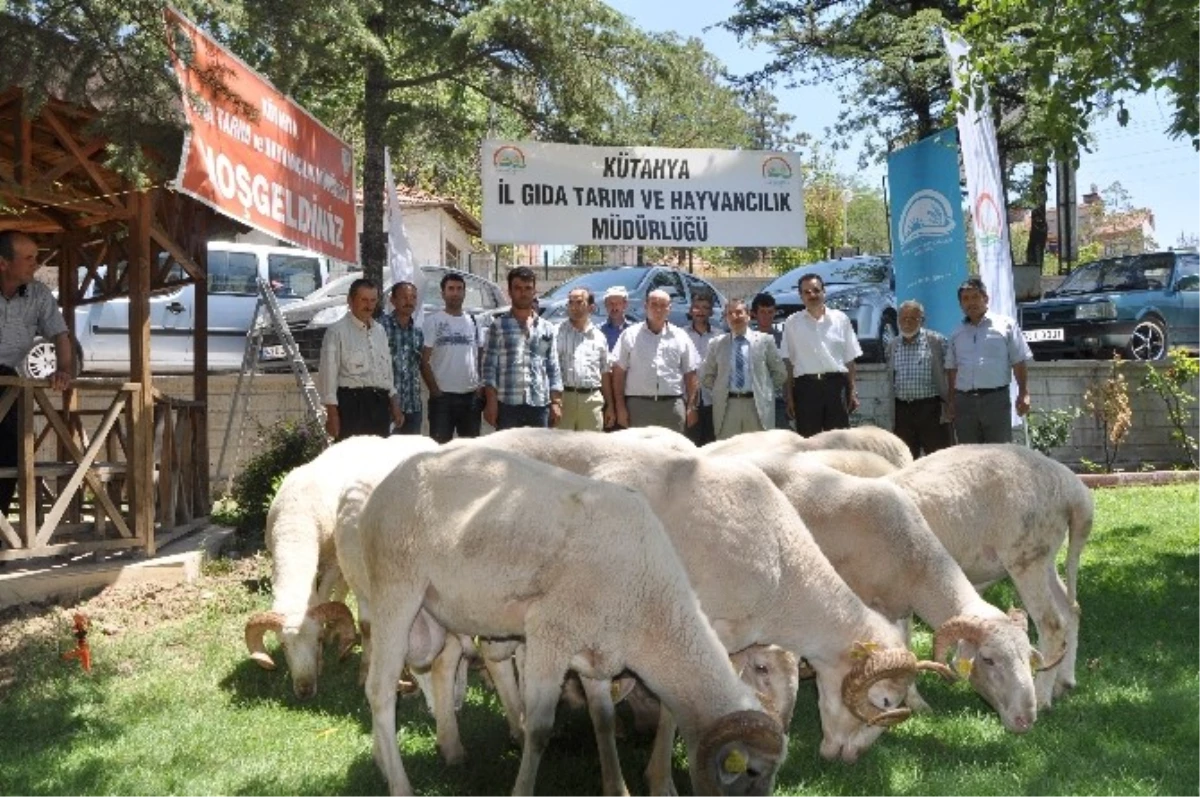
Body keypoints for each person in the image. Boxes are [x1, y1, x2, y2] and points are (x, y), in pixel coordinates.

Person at [0, 232, 73, 517]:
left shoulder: (39, 293)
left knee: (11, 455)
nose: (36, 264)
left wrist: (64, 370)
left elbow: (60, 335)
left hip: (9, 382)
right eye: (28, 258)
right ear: (3, 263)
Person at [946, 277, 1033, 443]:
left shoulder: (1006, 326)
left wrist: (1023, 392)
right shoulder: (956, 333)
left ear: (985, 298)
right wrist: (951, 401)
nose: (970, 303)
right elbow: (952, 369)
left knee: (999, 454)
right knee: (969, 455)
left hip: (995, 400)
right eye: (965, 299)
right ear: (960, 304)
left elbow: (1018, 361)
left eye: (975, 297)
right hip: (964, 403)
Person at [781, 272, 862, 436]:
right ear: (801, 296)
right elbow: (789, 363)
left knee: (839, 441)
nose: (812, 295)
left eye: (816, 290)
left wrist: (852, 391)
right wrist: (789, 396)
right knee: (809, 442)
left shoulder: (841, 319)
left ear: (824, 292)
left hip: (836, 386)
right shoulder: (792, 323)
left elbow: (850, 360)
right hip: (806, 389)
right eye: (807, 292)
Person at [482, 267, 562, 430]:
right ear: (510, 292)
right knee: (506, 455)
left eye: (527, 288)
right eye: (517, 288)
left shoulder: (547, 328)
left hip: (539, 405)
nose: (523, 293)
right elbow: (489, 368)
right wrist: (491, 402)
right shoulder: (498, 326)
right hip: (507, 406)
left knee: (537, 455)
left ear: (534, 291)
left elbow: (553, 367)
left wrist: (556, 402)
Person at [318, 278, 396, 441]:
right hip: (352, 406)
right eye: (364, 300)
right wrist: (332, 415)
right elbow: (328, 377)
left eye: (373, 300)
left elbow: (387, 371)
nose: (369, 305)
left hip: (379, 405)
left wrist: (394, 404)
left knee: (379, 459)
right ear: (350, 300)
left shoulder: (380, 331)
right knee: (352, 461)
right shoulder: (336, 332)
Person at [612, 288, 701, 432]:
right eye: (654, 304)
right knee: (640, 453)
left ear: (669, 309)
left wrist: (691, 407)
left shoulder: (681, 336)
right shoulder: (630, 335)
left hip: (672, 406)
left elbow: (690, 374)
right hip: (638, 406)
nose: (658, 309)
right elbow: (618, 372)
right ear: (645, 306)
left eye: (663, 305)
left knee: (674, 453)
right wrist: (620, 407)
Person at [701, 298, 787, 440]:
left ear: (748, 315)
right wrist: (721, 389)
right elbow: (706, 376)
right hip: (727, 407)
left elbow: (780, 373)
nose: (735, 317)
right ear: (726, 318)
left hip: (757, 405)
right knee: (728, 453)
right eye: (730, 313)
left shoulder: (765, 341)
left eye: (739, 312)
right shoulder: (716, 344)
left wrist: (765, 389)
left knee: (759, 452)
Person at [421, 272, 484, 444]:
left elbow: (481, 356)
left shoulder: (474, 322)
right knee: (440, 451)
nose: (455, 293)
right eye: (451, 289)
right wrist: (434, 391)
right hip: (443, 399)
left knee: (470, 453)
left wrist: (480, 387)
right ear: (443, 293)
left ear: (464, 292)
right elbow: (424, 360)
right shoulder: (432, 322)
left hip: (470, 398)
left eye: (459, 289)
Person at [885, 299, 952, 458]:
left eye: (913, 318)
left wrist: (951, 402)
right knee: (906, 459)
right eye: (903, 318)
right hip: (902, 412)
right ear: (898, 320)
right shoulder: (892, 345)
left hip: (931, 410)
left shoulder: (937, 341)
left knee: (938, 459)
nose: (907, 322)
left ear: (922, 320)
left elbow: (951, 372)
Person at [554, 288, 614, 431]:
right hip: (564, 399)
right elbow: (550, 369)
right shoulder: (557, 332)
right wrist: (554, 402)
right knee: (561, 450)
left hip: (591, 401)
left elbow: (605, 373)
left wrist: (610, 405)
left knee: (592, 449)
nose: (574, 307)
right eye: (571, 302)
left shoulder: (599, 337)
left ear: (591, 307)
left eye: (580, 302)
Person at [379, 281, 424, 435]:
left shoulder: (417, 332)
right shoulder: (381, 328)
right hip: (387, 406)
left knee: (412, 456)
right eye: (404, 297)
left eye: (413, 297)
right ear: (393, 300)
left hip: (413, 405)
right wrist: (393, 404)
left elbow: (418, 365)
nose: (409, 301)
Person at [751, 292, 792, 431]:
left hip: (779, 399)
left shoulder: (783, 338)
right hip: (755, 399)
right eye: (762, 312)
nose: (766, 316)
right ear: (754, 314)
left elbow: (788, 368)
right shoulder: (748, 338)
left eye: (770, 312)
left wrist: (789, 397)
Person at [683, 291, 718, 445]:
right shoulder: (681, 335)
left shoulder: (719, 336)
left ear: (711, 311)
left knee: (711, 444)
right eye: (696, 307)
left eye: (705, 308)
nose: (700, 311)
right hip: (688, 399)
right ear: (690, 310)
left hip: (712, 399)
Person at [599, 285, 631, 351]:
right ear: (605, 305)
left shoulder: (634, 330)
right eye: (610, 303)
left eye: (618, 303)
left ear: (625, 304)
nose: (614, 307)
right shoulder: (599, 331)